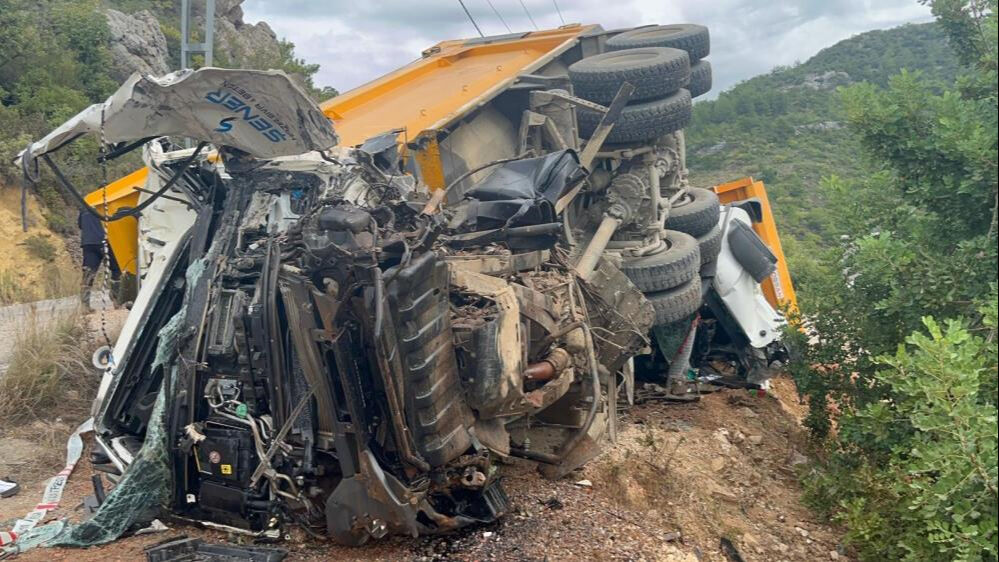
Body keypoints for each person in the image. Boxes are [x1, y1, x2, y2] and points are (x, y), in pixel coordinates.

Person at [79, 210, 120, 312]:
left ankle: (85, 305)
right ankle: (116, 300)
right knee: (116, 269)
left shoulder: (84, 209)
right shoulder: (106, 207)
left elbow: (80, 225)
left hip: (88, 244)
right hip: (106, 242)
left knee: (88, 273)